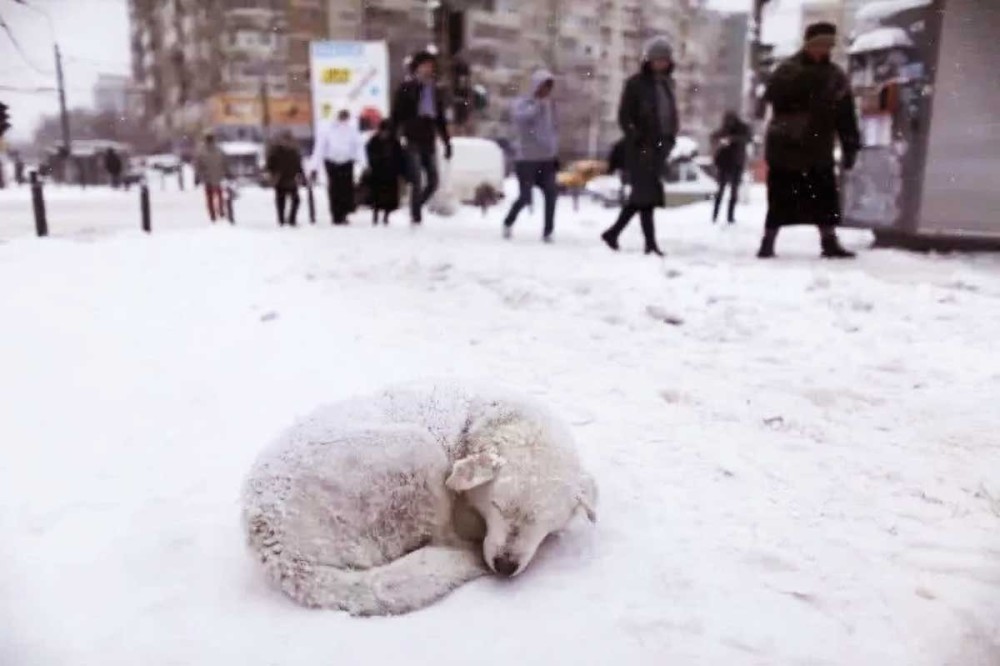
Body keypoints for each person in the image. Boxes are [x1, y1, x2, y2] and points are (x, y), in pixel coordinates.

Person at [757, 22, 861, 259]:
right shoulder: (788, 70)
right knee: (780, 197)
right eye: (818, 44)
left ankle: (829, 241)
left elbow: (846, 115)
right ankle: (768, 241)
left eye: (827, 45)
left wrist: (850, 145)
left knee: (824, 196)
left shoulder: (835, 76)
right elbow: (772, 96)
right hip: (787, 147)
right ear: (808, 44)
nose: (822, 50)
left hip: (818, 147)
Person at [600, 36, 678, 257]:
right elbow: (624, 117)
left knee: (644, 198)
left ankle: (614, 233)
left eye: (665, 60)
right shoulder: (635, 84)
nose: (661, 63)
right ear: (649, 60)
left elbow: (670, 116)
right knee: (646, 196)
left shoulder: (667, 85)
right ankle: (648, 243)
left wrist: (670, 140)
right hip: (641, 147)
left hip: (660, 147)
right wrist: (636, 137)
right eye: (657, 59)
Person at [391, 51, 453, 225]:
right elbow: (396, 114)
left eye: (431, 67)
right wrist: (394, 135)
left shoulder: (435, 91)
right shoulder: (407, 88)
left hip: (428, 138)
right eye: (424, 66)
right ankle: (415, 216)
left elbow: (440, 119)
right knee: (416, 178)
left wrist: (446, 142)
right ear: (417, 68)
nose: (428, 70)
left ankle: (416, 207)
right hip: (412, 137)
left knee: (433, 180)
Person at [502, 69, 559, 243]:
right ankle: (508, 222)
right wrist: (537, 106)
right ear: (536, 86)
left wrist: (553, 150)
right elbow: (521, 120)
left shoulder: (550, 106)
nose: (545, 91)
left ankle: (548, 231)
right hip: (526, 159)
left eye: (548, 87)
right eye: (543, 86)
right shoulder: (523, 103)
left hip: (546, 159)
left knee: (551, 193)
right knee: (525, 197)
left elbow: (552, 130)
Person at [311, 109, 362, 225]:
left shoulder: (352, 129)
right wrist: (314, 166)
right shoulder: (327, 129)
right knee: (335, 189)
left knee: (346, 189)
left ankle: (343, 213)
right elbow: (320, 148)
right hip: (332, 162)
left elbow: (357, 146)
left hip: (347, 162)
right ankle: (336, 214)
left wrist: (363, 162)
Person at [710, 111, 751, 224]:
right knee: (723, 191)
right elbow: (714, 136)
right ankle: (719, 216)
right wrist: (720, 140)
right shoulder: (725, 129)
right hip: (726, 163)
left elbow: (747, 138)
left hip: (735, 163)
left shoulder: (742, 129)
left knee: (732, 191)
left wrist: (731, 139)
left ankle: (729, 216)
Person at [365, 120, 405, 225]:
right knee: (376, 196)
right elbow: (369, 154)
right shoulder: (373, 141)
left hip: (391, 173)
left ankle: (386, 216)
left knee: (389, 197)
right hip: (377, 173)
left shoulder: (394, 142)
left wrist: (400, 170)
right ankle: (375, 215)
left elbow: (399, 157)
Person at [266, 130, 305, 227]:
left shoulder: (294, 152)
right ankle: (281, 220)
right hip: (280, 180)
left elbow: (299, 165)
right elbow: (269, 165)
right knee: (281, 201)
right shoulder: (276, 152)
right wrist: (272, 174)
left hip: (291, 179)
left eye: (288, 139)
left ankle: (292, 219)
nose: (286, 142)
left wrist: (302, 176)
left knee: (296, 200)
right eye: (284, 139)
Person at [194, 131, 227, 223]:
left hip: (208, 178)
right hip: (218, 177)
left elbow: (198, 165)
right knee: (219, 195)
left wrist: (198, 177)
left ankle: (213, 215)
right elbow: (225, 162)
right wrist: (227, 172)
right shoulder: (219, 150)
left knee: (210, 198)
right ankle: (221, 212)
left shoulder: (201, 152)